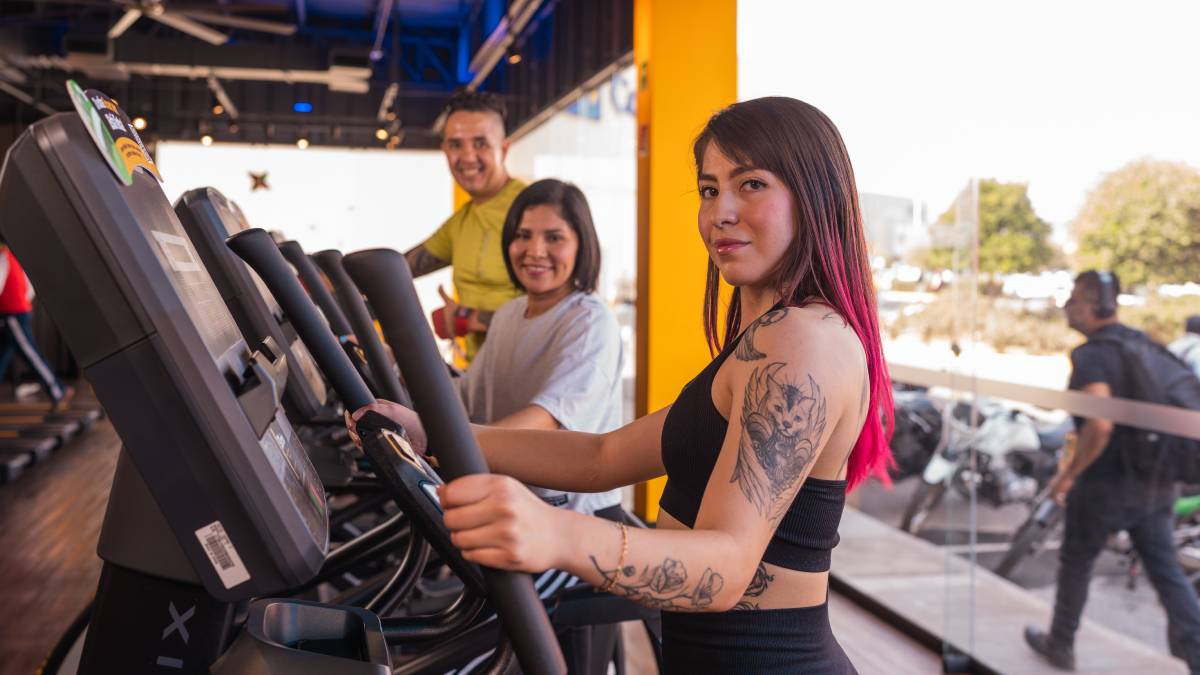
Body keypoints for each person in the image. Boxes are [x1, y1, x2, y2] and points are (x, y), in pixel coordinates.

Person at [352, 97, 894, 673]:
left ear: (815, 198)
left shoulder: (802, 339)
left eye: (751, 184)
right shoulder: (766, 340)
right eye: (709, 190)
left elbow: (728, 569)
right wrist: (432, 432)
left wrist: (553, 533)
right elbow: (601, 455)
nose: (721, 213)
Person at [1024, 271, 1200, 672]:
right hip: (1156, 481)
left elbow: (1099, 424)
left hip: (1107, 483)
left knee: (1076, 561)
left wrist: (1068, 474)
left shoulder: (1092, 355)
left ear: (1096, 306)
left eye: (1075, 297)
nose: (1069, 305)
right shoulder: (1143, 344)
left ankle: (1060, 644)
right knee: (1167, 571)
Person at [403, 90, 527, 362]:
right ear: (445, 150)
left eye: (481, 143)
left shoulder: (530, 211)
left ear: (504, 149)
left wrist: (469, 319)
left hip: (527, 381)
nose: (467, 157)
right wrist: (322, 279)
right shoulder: (462, 222)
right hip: (479, 379)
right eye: (456, 145)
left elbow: (560, 317)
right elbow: (400, 268)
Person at [0, 242, 69, 407]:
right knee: (3, 356)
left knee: (30, 353)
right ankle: (57, 388)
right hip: (19, 310)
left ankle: (56, 389)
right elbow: (29, 287)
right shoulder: (11, 257)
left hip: (13, 313)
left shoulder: (3, 258)